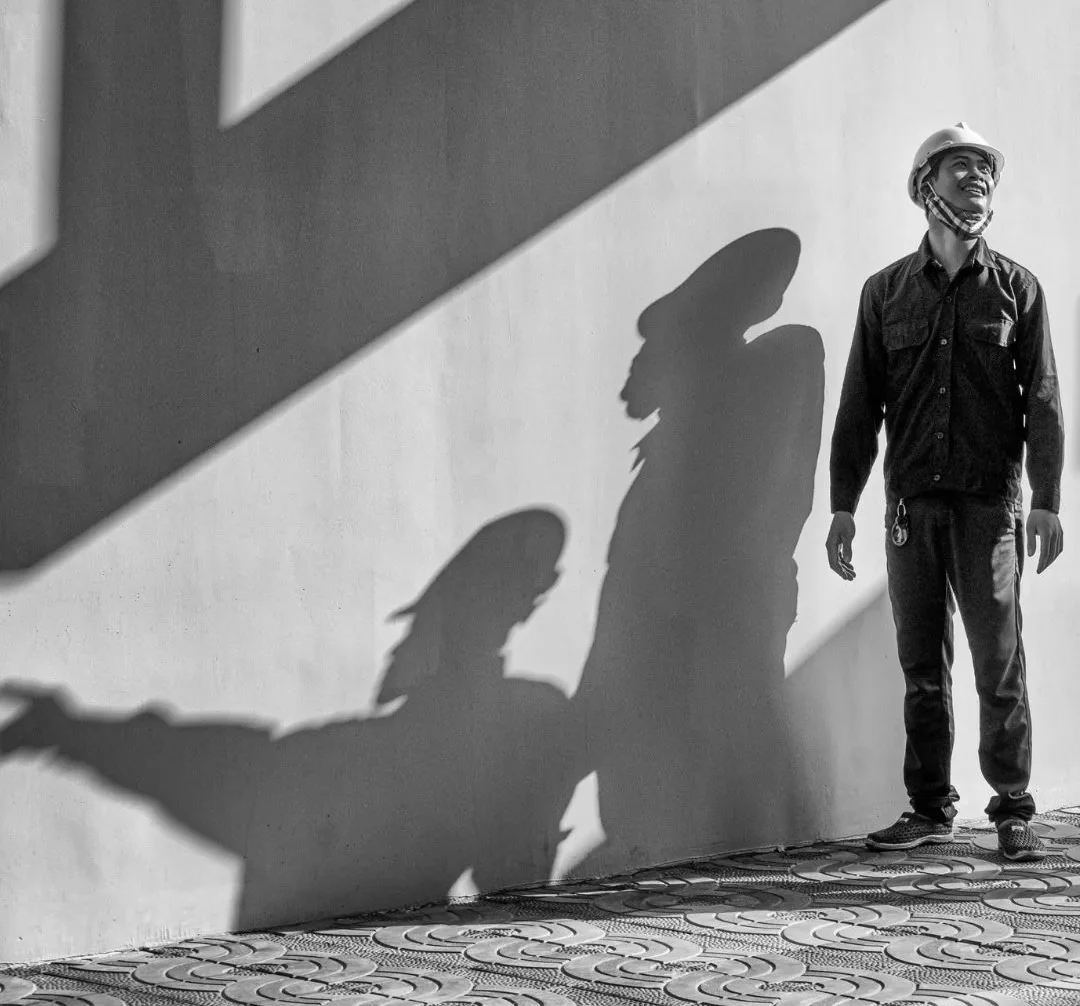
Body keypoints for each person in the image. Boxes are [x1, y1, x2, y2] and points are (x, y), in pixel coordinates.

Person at [826, 123, 1064, 862]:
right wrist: (841, 503)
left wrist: (1048, 500)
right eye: (963, 167)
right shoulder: (885, 292)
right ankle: (929, 808)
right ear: (926, 186)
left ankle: (1012, 809)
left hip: (990, 507)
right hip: (909, 509)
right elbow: (860, 405)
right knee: (922, 667)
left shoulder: (1017, 289)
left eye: (986, 169)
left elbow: (1046, 402)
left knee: (1000, 663)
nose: (979, 178)